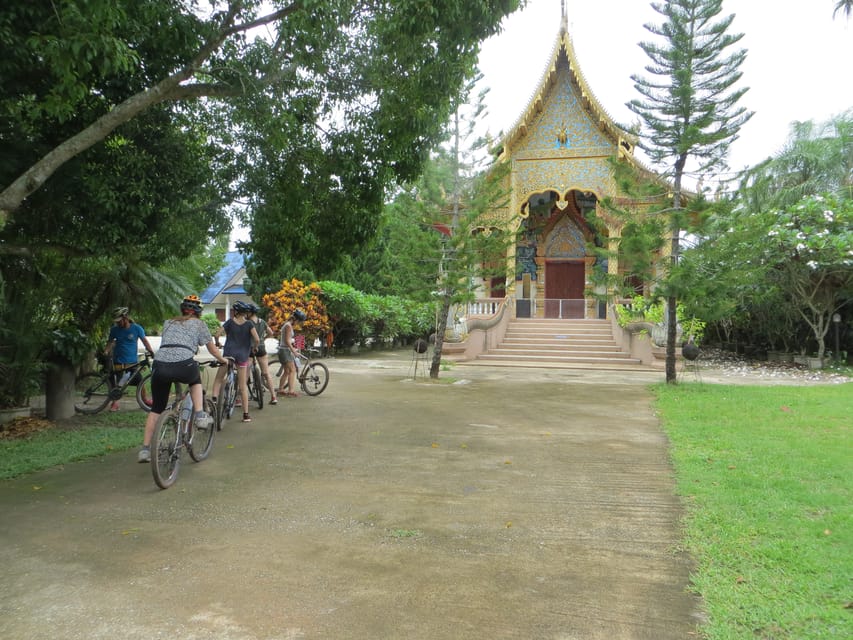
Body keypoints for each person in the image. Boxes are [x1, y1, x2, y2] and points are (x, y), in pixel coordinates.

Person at [138, 295, 227, 464]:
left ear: (182, 309)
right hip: (184, 364)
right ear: (199, 312)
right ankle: (200, 415)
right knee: (195, 381)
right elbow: (212, 349)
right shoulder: (200, 324)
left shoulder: (168, 322)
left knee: (156, 409)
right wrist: (224, 361)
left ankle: (145, 449)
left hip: (160, 365)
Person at [212, 300, 260, 422]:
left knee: (218, 379)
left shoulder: (229, 322)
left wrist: (217, 343)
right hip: (242, 356)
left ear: (236, 312)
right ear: (245, 313)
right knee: (243, 386)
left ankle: (214, 402)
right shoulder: (249, 324)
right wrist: (254, 348)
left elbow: (217, 334)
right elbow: (257, 339)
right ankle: (246, 414)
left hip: (228, 354)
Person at [105, 307, 155, 411]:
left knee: (140, 381)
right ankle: (115, 403)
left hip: (132, 363)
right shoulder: (114, 330)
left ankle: (145, 400)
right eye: (116, 322)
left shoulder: (137, 328)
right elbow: (109, 342)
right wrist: (106, 351)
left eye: (119, 321)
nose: (118, 324)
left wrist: (151, 351)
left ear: (125, 317)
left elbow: (145, 341)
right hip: (118, 361)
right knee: (117, 383)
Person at [247, 303, 277, 405]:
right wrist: (263, 339)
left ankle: (238, 398)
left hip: (250, 349)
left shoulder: (248, 323)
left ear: (250, 312)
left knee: (245, 373)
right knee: (266, 373)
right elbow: (271, 333)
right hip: (261, 348)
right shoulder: (262, 322)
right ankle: (273, 396)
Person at [276, 309, 307, 398]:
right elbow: (287, 341)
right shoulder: (288, 326)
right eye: (299, 321)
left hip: (283, 350)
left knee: (286, 371)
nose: (298, 323)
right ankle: (291, 391)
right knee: (292, 370)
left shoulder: (287, 325)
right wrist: (294, 351)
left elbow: (287, 340)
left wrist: (293, 349)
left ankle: (281, 389)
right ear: (296, 319)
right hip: (285, 351)